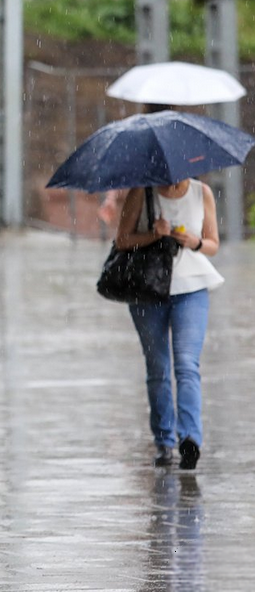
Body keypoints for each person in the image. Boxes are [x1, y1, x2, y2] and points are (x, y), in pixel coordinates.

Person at [115, 178, 223, 470]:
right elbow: (122, 240)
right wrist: (154, 235)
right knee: (158, 366)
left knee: (187, 364)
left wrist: (194, 242)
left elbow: (212, 244)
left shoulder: (203, 193)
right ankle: (164, 441)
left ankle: (190, 439)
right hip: (148, 289)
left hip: (192, 289)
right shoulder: (141, 190)